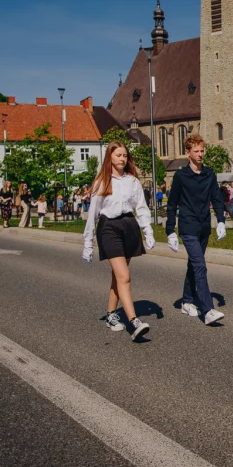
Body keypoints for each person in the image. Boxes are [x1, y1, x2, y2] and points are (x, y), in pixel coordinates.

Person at [82, 142, 155, 341]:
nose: (122, 158)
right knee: (124, 275)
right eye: (118, 155)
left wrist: (148, 231)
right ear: (110, 158)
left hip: (129, 226)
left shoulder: (132, 181)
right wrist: (88, 242)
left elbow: (141, 207)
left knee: (118, 276)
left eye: (125, 155)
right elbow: (93, 214)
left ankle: (111, 314)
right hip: (109, 228)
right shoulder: (101, 182)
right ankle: (134, 321)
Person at [166, 134, 227, 326]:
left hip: (204, 227)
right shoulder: (181, 176)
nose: (200, 154)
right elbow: (172, 204)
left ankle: (186, 301)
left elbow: (217, 199)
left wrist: (221, 221)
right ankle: (207, 309)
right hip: (188, 226)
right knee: (200, 265)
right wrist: (170, 231)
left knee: (194, 265)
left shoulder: (209, 174)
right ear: (188, 153)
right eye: (196, 151)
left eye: (202, 151)